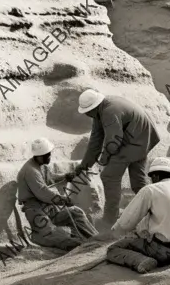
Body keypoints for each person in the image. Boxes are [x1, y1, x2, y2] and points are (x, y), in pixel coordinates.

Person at [66, 90, 160, 229]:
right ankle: (158, 211)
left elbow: (113, 140)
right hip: (141, 137)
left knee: (109, 176)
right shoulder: (102, 110)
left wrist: (104, 159)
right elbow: (95, 143)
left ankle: (110, 220)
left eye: (86, 111)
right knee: (138, 181)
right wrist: (84, 166)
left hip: (135, 140)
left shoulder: (109, 112)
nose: (86, 114)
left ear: (93, 108)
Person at [106, 157, 170, 273]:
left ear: (155, 176)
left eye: (152, 177)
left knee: (113, 249)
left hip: (161, 248)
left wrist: (114, 232)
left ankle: (142, 260)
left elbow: (126, 223)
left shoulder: (150, 190)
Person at [17, 138, 97, 251]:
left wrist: (64, 176)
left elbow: (50, 178)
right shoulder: (30, 171)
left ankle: (96, 239)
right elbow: (43, 192)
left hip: (49, 209)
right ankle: (40, 235)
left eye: (49, 153)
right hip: (37, 213)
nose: (49, 156)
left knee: (76, 213)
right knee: (62, 239)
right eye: (47, 155)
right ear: (39, 156)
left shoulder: (40, 166)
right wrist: (63, 199)